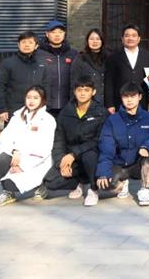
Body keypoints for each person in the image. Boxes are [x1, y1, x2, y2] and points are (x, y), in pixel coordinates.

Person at [40, 76, 108, 206]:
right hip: (73, 158)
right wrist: (61, 162)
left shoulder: (101, 112)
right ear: (74, 92)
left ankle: (93, 189)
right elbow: (59, 140)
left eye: (86, 90)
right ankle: (80, 181)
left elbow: (99, 140)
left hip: (93, 155)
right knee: (51, 183)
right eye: (79, 90)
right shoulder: (66, 112)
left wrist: (73, 154)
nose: (82, 93)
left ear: (93, 92)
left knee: (89, 155)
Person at [95, 82, 149, 206]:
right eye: (126, 96)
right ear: (121, 98)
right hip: (120, 163)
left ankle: (145, 189)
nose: (129, 100)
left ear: (140, 97)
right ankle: (122, 183)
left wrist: (148, 146)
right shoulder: (112, 120)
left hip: (139, 163)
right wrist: (103, 172)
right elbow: (106, 147)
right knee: (105, 184)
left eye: (133, 96)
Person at [0, 85, 56, 208]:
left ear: (43, 100)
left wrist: (22, 165)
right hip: (16, 156)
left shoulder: (48, 120)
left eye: (36, 98)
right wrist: (15, 151)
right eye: (29, 97)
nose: (31, 101)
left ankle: (40, 186)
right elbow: (4, 138)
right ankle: (8, 193)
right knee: (1, 158)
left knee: (20, 181)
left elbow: (44, 148)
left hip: (35, 160)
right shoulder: (17, 117)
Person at [0, 31, 49, 124]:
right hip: (13, 110)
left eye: (30, 42)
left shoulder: (42, 64)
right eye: (23, 42)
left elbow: (47, 86)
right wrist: (2, 109)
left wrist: (46, 106)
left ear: (36, 46)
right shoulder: (8, 63)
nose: (27, 45)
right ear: (18, 45)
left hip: (37, 110)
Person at [104, 24, 149, 113]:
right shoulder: (114, 57)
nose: (130, 38)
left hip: (142, 101)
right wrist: (109, 104)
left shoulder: (147, 56)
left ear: (139, 39)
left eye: (134, 36)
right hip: (120, 101)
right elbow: (109, 81)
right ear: (122, 39)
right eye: (127, 35)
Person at [38, 20, 78, 117]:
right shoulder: (38, 54)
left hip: (68, 105)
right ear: (47, 34)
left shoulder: (73, 54)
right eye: (53, 32)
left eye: (60, 32)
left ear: (64, 34)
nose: (57, 35)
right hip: (44, 105)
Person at [70, 28, 108, 105]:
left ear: (102, 41)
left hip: (106, 102)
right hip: (87, 103)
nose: (95, 41)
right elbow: (74, 83)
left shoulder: (109, 58)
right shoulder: (80, 59)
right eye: (91, 39)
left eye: (98, 39)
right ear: (87, 41)